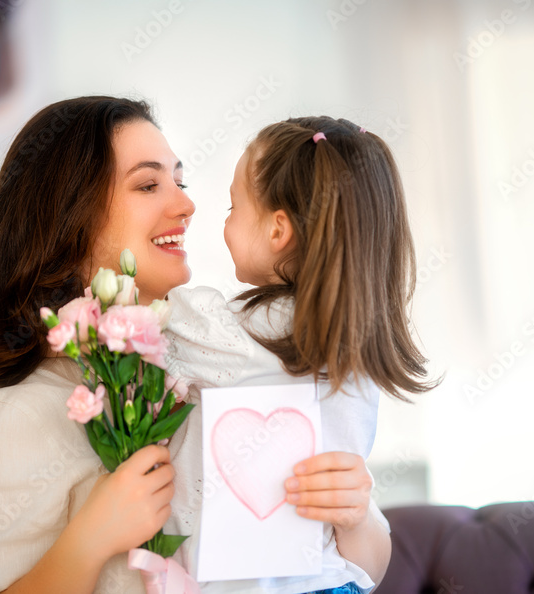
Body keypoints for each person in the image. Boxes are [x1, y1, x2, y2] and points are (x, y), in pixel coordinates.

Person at [162, 116, 438, 593]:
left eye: (233, 206)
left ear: (278, 231)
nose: (222, 220)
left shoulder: (236, 332)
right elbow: (368, 560)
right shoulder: (354, 346)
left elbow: (138, 333)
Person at [0, 95, 196, 593]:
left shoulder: (189, 375)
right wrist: (90, 539)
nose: (186, 204)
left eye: (179, 182)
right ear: (69, 218)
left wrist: (356, 519)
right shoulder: (21, 414)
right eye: (148, 184)